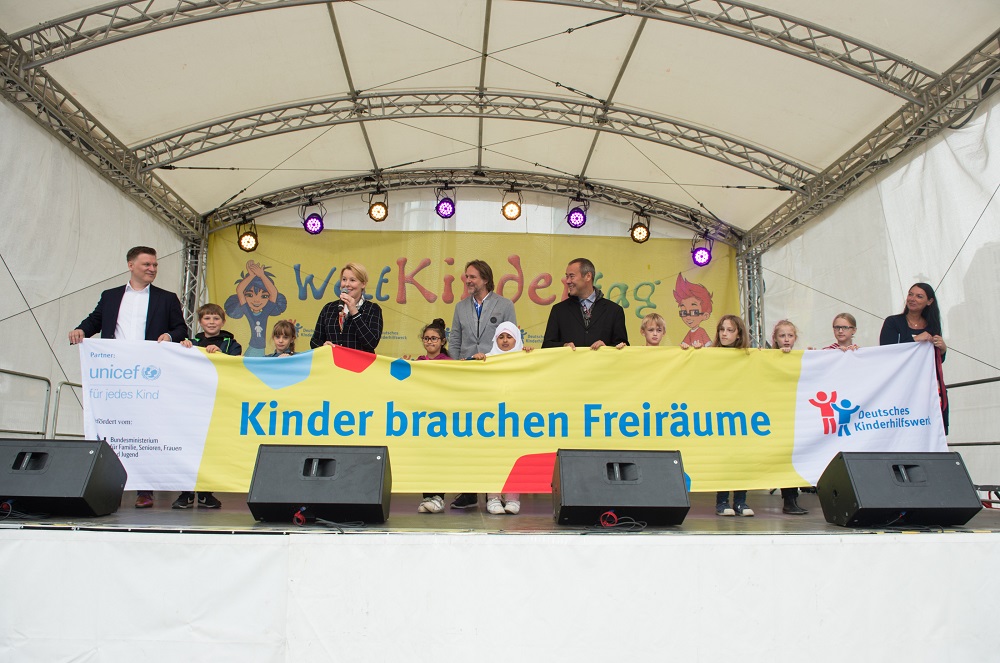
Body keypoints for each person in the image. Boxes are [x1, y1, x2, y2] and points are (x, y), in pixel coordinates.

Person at [69, 246, 188, 509]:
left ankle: (144, 490)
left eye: (155, 265)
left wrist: (169, 336)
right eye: (147, 264)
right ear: (130, 265)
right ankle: (103, 484)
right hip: (114, 375)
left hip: (149, 376)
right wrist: (81, 330)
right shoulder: (110, 296)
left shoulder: (166, 298)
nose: (152, 269)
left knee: (144, 428)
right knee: (111, 428)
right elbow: (95, 321)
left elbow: (181, 328)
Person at [448, 260, 516, 510]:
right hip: (467, 376)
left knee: (494, 432)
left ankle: (494, 491)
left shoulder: (505, 305)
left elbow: (512, 338)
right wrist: (457, 366)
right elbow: (455, 338)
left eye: (473, 277)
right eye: (466, 277)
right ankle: (468, 490)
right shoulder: (460, 307)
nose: (468, 281)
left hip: (494, 377)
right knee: (468, 432)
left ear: (486, 279)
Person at [879, 282, 948, 432]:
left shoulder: (933, 325)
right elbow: (886, 353)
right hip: (900, 385)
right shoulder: (893, 322)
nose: (912, 299)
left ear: (929, 302)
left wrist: (942, 350)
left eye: (919, 296)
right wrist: (915, 340)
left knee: (929, 429)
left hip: (925, 387)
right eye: (911, 294)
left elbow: (935, 362)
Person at [483, 321, 533, 515]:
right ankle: (493, 497)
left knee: (514, 456)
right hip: (492, 417)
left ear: (517, 338)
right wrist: (476, 362)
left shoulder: (525, 357)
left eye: (509, 337)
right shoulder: (487, 358)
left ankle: (513, 498)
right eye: (501, 337)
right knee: (492, 456)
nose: (505, 341)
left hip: (517, 417)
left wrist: (531, 356)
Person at [407, 319, 454, 515]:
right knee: (424, 457)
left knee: (440, 458)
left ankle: (439, 497)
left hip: (443, 418)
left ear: (443, 341)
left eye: (434, 338)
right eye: (426, 338)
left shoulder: (451, 364)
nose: (429, 342)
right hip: (423, 418)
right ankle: (427, 496)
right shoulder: (418, 363)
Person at [710, 315, 755, 517]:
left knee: (741, 457)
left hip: (742, 413)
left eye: (729, 330)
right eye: (722, 330)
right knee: (723, 457)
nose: (725, 334)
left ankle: (741, 502)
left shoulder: (749, 356)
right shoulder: (709, 354)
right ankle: (722, 502)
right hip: (719, 413)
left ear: (739, 334)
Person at [541, 258, 628, 350]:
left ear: (588, 276)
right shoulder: (559, 310)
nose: (568, 281)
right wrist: (564, 346)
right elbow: (546, 346)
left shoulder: (614, 310)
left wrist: (606, 347)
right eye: (567, 276)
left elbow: (623, 347)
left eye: (572, 276)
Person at [769, 320, 808, 514]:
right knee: (783, 454)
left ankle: (792, 497)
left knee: (795, 453)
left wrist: (813, 356)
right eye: (782, 336)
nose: (786, 339)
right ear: (774, 339)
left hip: (794, 412)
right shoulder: (766, 357)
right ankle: (788, 497)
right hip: (774, 413)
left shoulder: (801, 357)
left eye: (790, 336)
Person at [310, 262, 383, 353]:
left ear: (363, 284)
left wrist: (354, 312)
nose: (347, 284)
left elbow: (371, 343)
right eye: (344, 279)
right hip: (333, 365)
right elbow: (314, 341)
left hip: (360, 365)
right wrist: (323, 346)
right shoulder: (329, 308)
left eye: (352, 280)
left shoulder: (373, 309)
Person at [225, 260, 287, 357]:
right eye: (250, 295)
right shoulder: (247, 311)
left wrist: (262, 275)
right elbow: (240, 290)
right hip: (253, 348)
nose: (257, 301)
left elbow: (273, 293)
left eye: (264, 296)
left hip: (260, 349)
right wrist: (251, 275)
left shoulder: (265, 312)